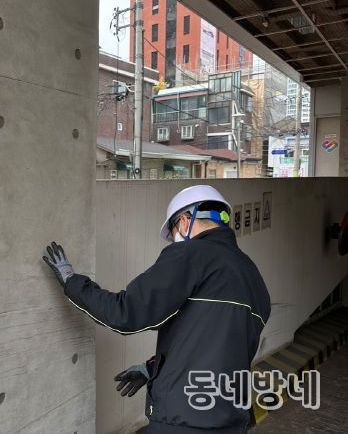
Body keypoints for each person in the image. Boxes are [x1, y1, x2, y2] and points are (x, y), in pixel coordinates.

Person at [43, 185, 271, 433]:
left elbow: (126, 313)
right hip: (232, 421)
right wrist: (152, 368)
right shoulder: (253, 276)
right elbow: (214, 342)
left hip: (184, 420)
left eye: (172, 233)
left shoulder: (190, 254)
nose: (174, 240)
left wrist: (72, 282)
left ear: (184, 222)